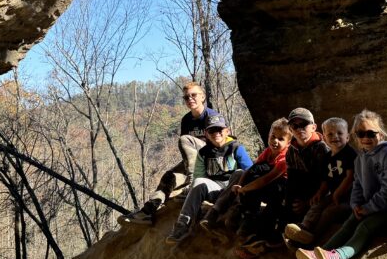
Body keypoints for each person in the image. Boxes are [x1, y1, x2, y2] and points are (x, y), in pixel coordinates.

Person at [295, 110, 387, 259]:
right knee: (351, 221)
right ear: (355, 136)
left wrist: (368, 208)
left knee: (364, 226)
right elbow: (357, 184)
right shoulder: (360, 158)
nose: (366, 137)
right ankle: (321, 252)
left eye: (370, 133)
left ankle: (337, 257)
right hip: (373, 206)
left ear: (380, 134)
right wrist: (356, 205)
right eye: (360, 133)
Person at [120, 82, 220, 225]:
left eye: (193, 95)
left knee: (185, 140)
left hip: (211, 160)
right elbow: (188, 152)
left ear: (203, 97)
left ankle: (192, 185)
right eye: (186, 97)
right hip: (194, 162)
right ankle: (148, 211)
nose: (190, 99)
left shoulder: (211, 117)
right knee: (169, 176)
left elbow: (221, 144)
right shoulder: (186, 120)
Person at [238, 107, 330, 256]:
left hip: (317, 193)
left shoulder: (321, 148)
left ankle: (287, 239)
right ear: (291, 129)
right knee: (281, 199)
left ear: (313, 127)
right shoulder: (292, 150)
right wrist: (289, 200)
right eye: (295, 126)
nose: (299, 129)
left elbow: (326, 180)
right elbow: (293, 178)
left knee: (297, 209)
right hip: (299, 191)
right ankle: (263, 235)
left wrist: (306, 202)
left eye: (303, 124)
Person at [200, 118, 291, 243]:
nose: (275, 141)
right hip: (265, 184)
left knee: (257, 181)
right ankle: (245, 212)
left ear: (289, 142)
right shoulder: (268, 152)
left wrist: (245, 188)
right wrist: (240, 184)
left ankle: (252, 218)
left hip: (279, 189)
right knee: (253, 172)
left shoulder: (285, 158)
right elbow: (250, 169)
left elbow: (266, 179)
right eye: (273, 136)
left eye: (281, 139)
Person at [165, 116, 253, 244]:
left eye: (219, 130)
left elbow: (250, 171)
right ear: (206, 133)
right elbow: (198, 177)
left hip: (233, 192)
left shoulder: (236, 148)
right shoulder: (204, 153)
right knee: (199, 182)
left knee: (239, 173)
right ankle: (182, 225)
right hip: (216, 189)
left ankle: (215, 213)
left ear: (227, 131)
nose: (216, 133)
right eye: (212, 131)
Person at [283, 117, 356, 247]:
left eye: (340, 133)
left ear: (348, 137)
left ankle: (313, 237)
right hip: (334, 195)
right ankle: (304, 228)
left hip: (349, 197)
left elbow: (350, 177)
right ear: (325, 138)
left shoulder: (349, 153)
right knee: (316, 205)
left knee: (328, 212)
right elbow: (325, 180)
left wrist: (337, 194)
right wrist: (319, 193)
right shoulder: (327, 157)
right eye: (330, 134)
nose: (335, 137)